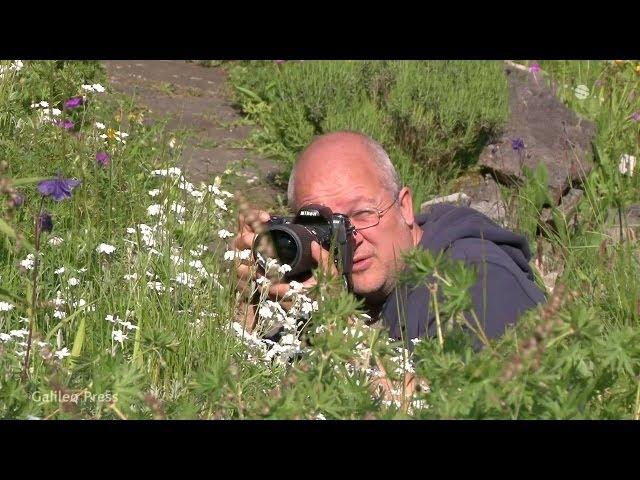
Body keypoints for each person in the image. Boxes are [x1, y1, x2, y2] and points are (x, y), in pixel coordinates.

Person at [233, 131, 546, 347]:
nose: (350, 239)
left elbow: (436, 404)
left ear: (405, 207)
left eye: (363, 214)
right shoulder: (324, 286)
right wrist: (254, 301)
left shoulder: (475, 281)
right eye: (327, 227)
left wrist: (335, 322)